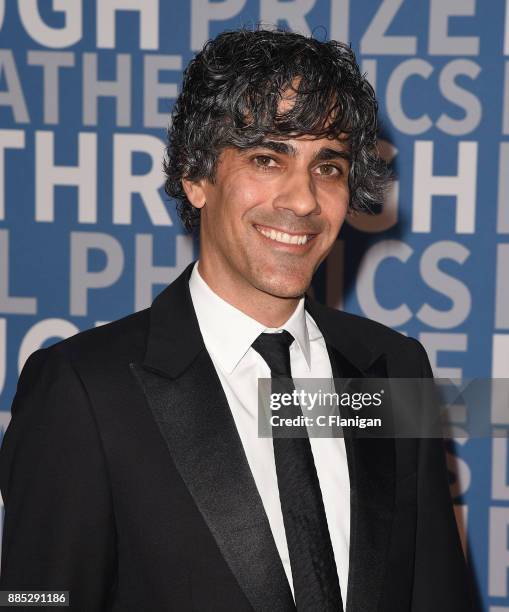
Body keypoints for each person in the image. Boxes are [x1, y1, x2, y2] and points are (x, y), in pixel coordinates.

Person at [0, 28, 472, 611]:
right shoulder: (84, 390)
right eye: (267, 159)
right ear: (198, 178)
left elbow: (437, 593)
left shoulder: (395, 370)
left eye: (328, 167)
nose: (302, 200)